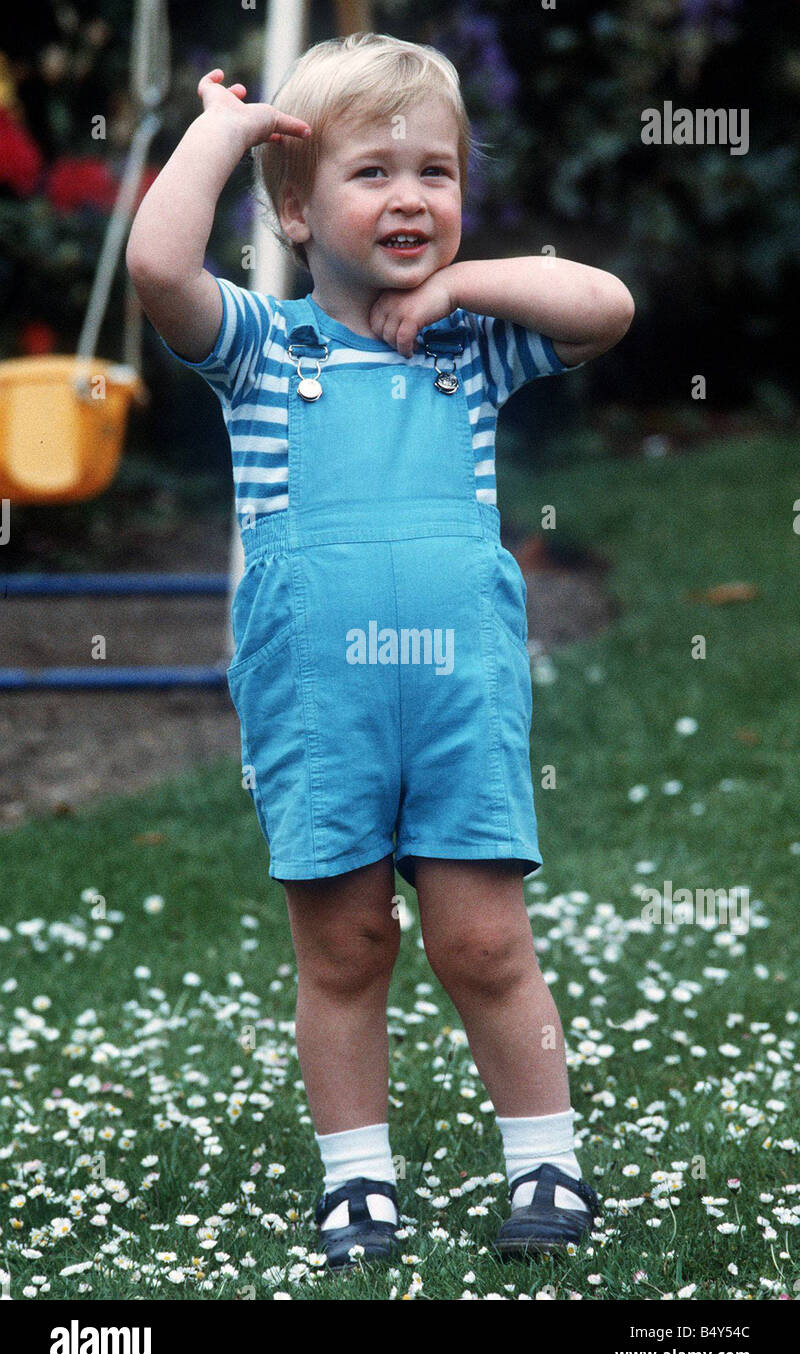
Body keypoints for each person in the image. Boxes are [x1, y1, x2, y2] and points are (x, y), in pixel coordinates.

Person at [126, 31, 634, 1273]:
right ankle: (358, 1184)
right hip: (318, 703)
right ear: (296, 211)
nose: (410, 198)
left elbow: (607, 308)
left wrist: (467, 286)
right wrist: (224, 134)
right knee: (344, 944)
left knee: (483, 942)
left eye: (436, 172)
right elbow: (153, 262)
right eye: (372, 173)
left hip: (455, 699)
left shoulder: (471, 347)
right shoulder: (259, 350)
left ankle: (545, 1163)